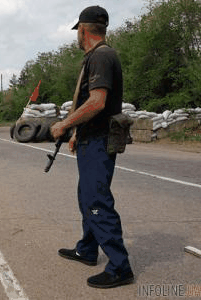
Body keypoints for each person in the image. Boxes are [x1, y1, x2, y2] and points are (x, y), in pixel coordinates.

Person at [50, 6, 134, 289]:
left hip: (99, 142)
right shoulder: (98, 56)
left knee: (97, 201)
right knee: (87, 197)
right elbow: (98, 105)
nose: (78, 36)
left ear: (83, 30)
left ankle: (120, 267)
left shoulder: (101, 56)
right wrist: (77, 132)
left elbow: (98, 102)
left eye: (78, 32)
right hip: (90, 138)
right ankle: (87, 250)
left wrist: (63, 125)